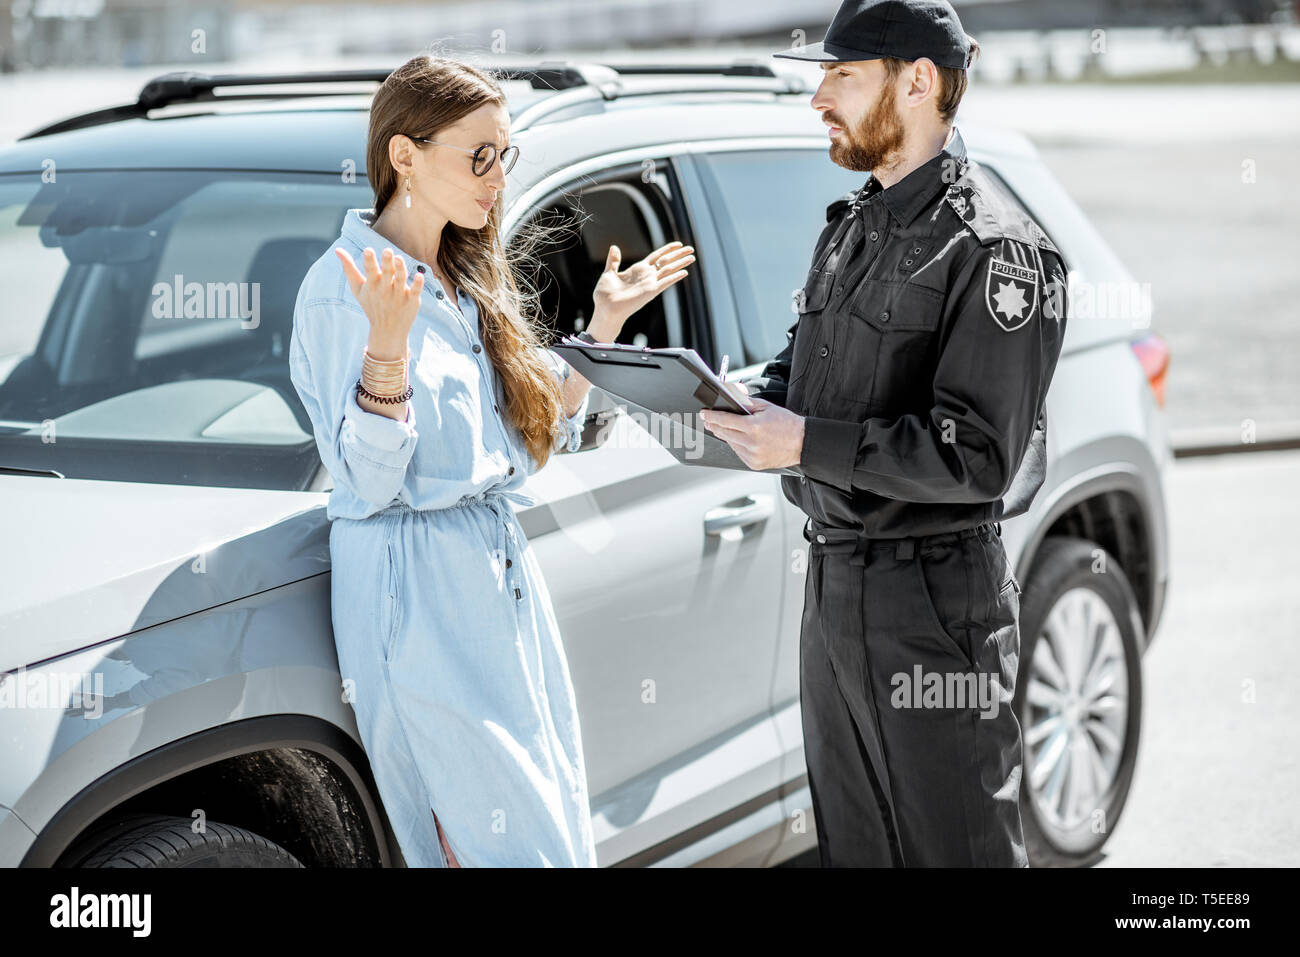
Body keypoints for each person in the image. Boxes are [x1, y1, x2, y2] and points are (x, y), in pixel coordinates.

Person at [289, 54, 695, 867]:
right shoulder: (346, 288)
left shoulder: (462, 273)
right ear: (404, 156)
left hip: (495, 575)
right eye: (478, 155)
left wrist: (603, 327)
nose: (495, 177)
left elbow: (530, 427)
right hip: (417, 585)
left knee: (547, 829)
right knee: (490, 846)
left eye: (501, 156)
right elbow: (367, 483)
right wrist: (387, 353)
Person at [700, 0, 1068, 866]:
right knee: (856, 849)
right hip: (832, 587)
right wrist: (714, 397)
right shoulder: (853, 230)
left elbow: (978, 457)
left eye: (841, 75)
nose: (819, 97)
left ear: (917, 83)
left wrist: (804, 445)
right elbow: (803, 378)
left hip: (935, 608)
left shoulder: (997, 250)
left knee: (957, 851)